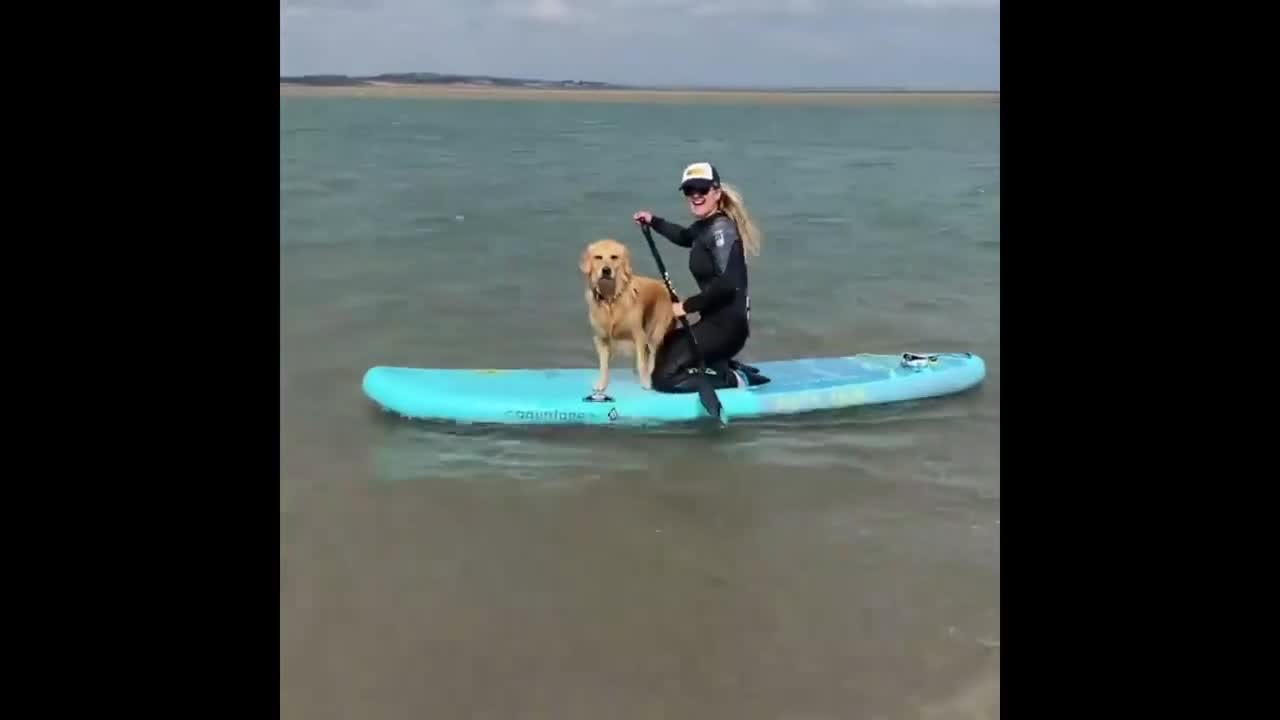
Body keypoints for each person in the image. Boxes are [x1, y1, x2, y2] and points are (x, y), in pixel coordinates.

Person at [633, 162, 768, 392]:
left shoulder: (722, 231)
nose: (695, 195)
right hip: (712, 323)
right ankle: (720, 364)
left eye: (702, 190)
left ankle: (733, 379)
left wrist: (686, 306)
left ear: (716, 193)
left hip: (728, 328)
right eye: (689, 190)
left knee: (664, 378)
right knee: (665, 344)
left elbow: (728, 285)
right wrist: (653, 221)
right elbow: (684, 236)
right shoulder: (704, 227)